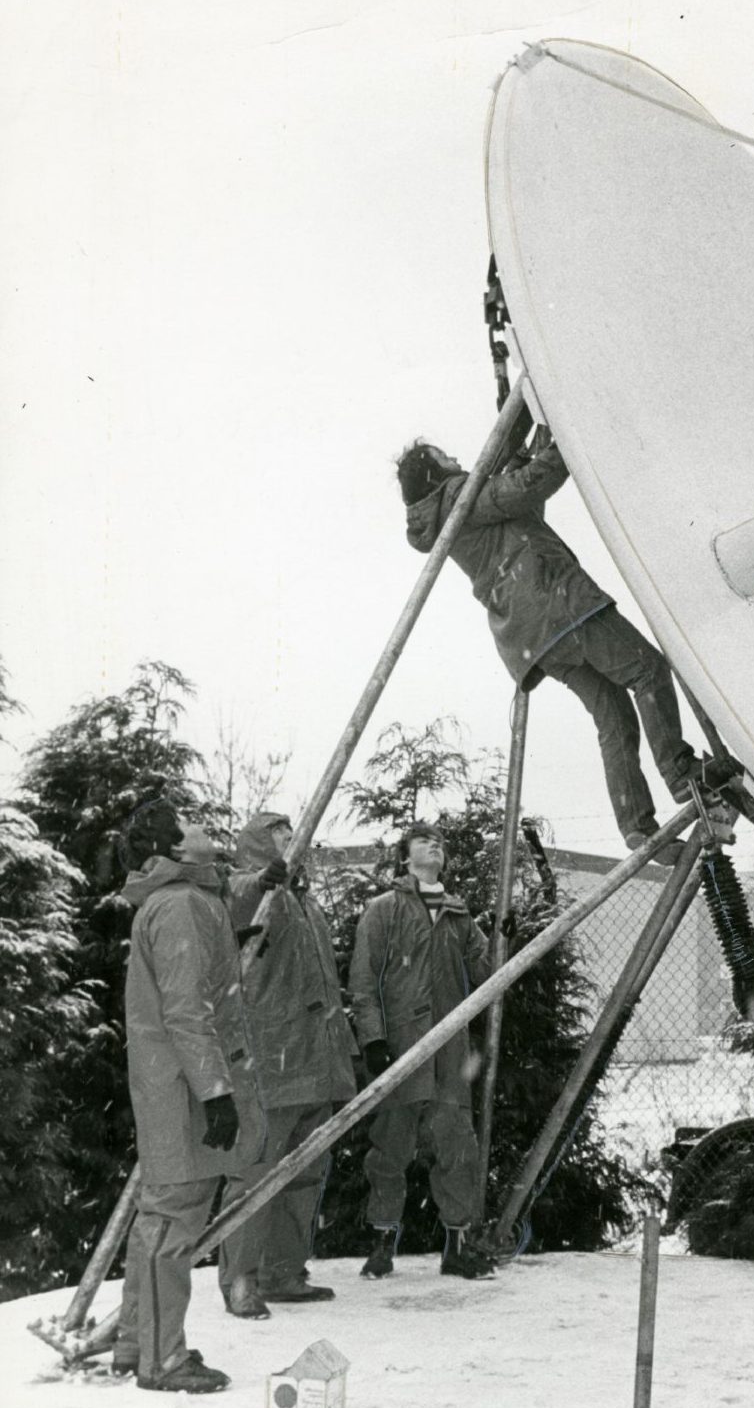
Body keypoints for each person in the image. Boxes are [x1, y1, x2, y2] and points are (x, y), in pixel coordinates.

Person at [395, 433, 725, 856]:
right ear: (432, 471)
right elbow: (526, 488)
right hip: (556, 602)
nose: (456, 456)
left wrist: (524, 457)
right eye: (444, 455)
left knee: (613, 712)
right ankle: (679, 772)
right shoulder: (457, 495)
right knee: (646, 668)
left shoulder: (447, 517)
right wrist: (566, 440)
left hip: (531, 635)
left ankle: (638, 828)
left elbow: (518, 506)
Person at [113, 800, 266, 1393]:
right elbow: (185, 1012)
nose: (204, 826)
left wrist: (227, 942)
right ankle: (162, 1360)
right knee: (174, 1219)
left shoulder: (185, 901)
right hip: (183, 1087)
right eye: (190, 823)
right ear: (174, 849)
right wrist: (216, 1093)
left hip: (172, 1083)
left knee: (160, 1214)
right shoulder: (179, 905)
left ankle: (136, 1342)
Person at [217, 811, 358, 1318]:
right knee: (255, 1172)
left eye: (291, 832)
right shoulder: (247, 887)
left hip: (316, 1057)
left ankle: (284, 1271)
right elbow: (236, 899)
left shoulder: (304, 902)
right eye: (278, 833)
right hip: (270, 1057)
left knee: (304, 1172)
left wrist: (348, 1050)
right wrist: (262, 879)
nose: (290, 839)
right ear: (257, 842)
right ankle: (240, 1280)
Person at [348, 821, 493, 1279]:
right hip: (401, 1049)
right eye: (424, 841)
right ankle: (382, 1243)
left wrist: (503, 936)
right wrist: (373, 1040)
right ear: (405, 858)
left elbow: (488, 971)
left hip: (449, 1052)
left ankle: (456, 1245)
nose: (435, 846)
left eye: (440, 843)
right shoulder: (384, 910)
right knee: (389, 1149)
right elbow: (363, 982)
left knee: (456, 1147)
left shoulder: (459, 915)